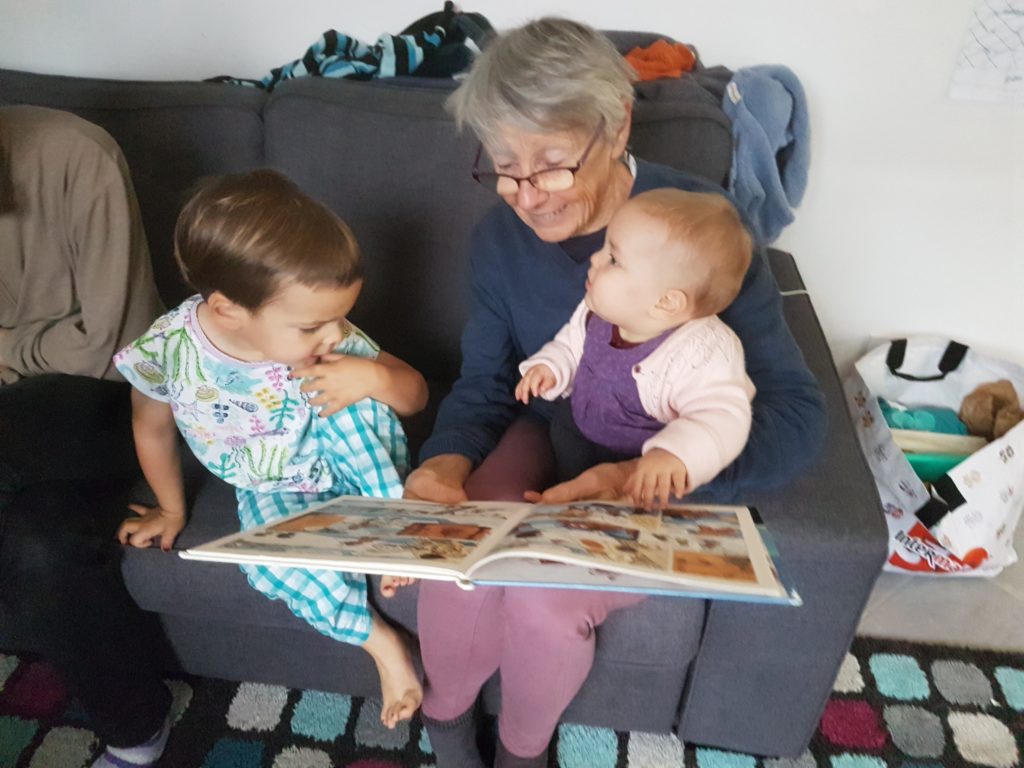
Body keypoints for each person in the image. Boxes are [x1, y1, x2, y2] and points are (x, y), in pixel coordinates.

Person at [404, 17, 826, 768]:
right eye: (505, 168)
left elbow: (794, 416)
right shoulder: (497, 242)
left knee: (542, 603)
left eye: (552, 165)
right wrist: (442, 466)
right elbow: (486, 384)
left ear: (618, 123)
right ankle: (447, 726)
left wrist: (645, 475)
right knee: (459, 559)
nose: (527, 196)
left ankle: (523, 752)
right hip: (551, 432)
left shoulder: (700, 233)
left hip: (647, 467)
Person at [113, 168, 427, 728]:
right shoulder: (171, 349)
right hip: (273, 484)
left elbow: (414, 394)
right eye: (312, 326)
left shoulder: (329, 337)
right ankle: (380, 643)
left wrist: (374, 378)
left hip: (353, 463)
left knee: (352, 400)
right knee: (265, 560)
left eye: (339, 318)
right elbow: (152, 427)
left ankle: (391, 532)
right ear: (228, 309)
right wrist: (171, 509)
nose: (334, 335)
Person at [0, 105, 172, 768]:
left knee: (33, 411)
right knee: (39, 540)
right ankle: (138, 726)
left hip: (108, 399)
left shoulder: (78, 156)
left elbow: (111, 346)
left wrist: (8, 349)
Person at [516, 188, 755, 507]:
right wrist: (550, 366)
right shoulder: (598, 310)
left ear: (665, 302)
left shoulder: (702, 352)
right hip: (577, 428)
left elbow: (721, 416)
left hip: (638, 457)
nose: (595, 259)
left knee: (630, 509)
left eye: (613, 259)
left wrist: (674, 454)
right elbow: (571, 345)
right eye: (604, 248)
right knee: (569, 488)